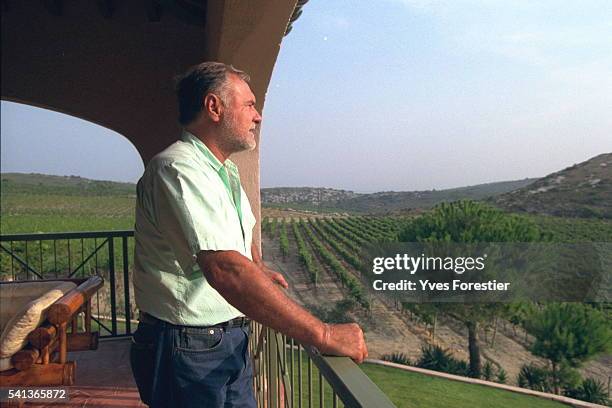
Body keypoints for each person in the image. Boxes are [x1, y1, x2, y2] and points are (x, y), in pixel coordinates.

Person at [130, 62, 367, 408]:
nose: (258, 117)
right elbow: (225, 268)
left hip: (224, 338)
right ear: (214, 107)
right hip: (187, 347)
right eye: (250, 105)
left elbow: (239, 248)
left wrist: (257, 269)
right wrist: (324, 334)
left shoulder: (222, 172)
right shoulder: (178, 168)